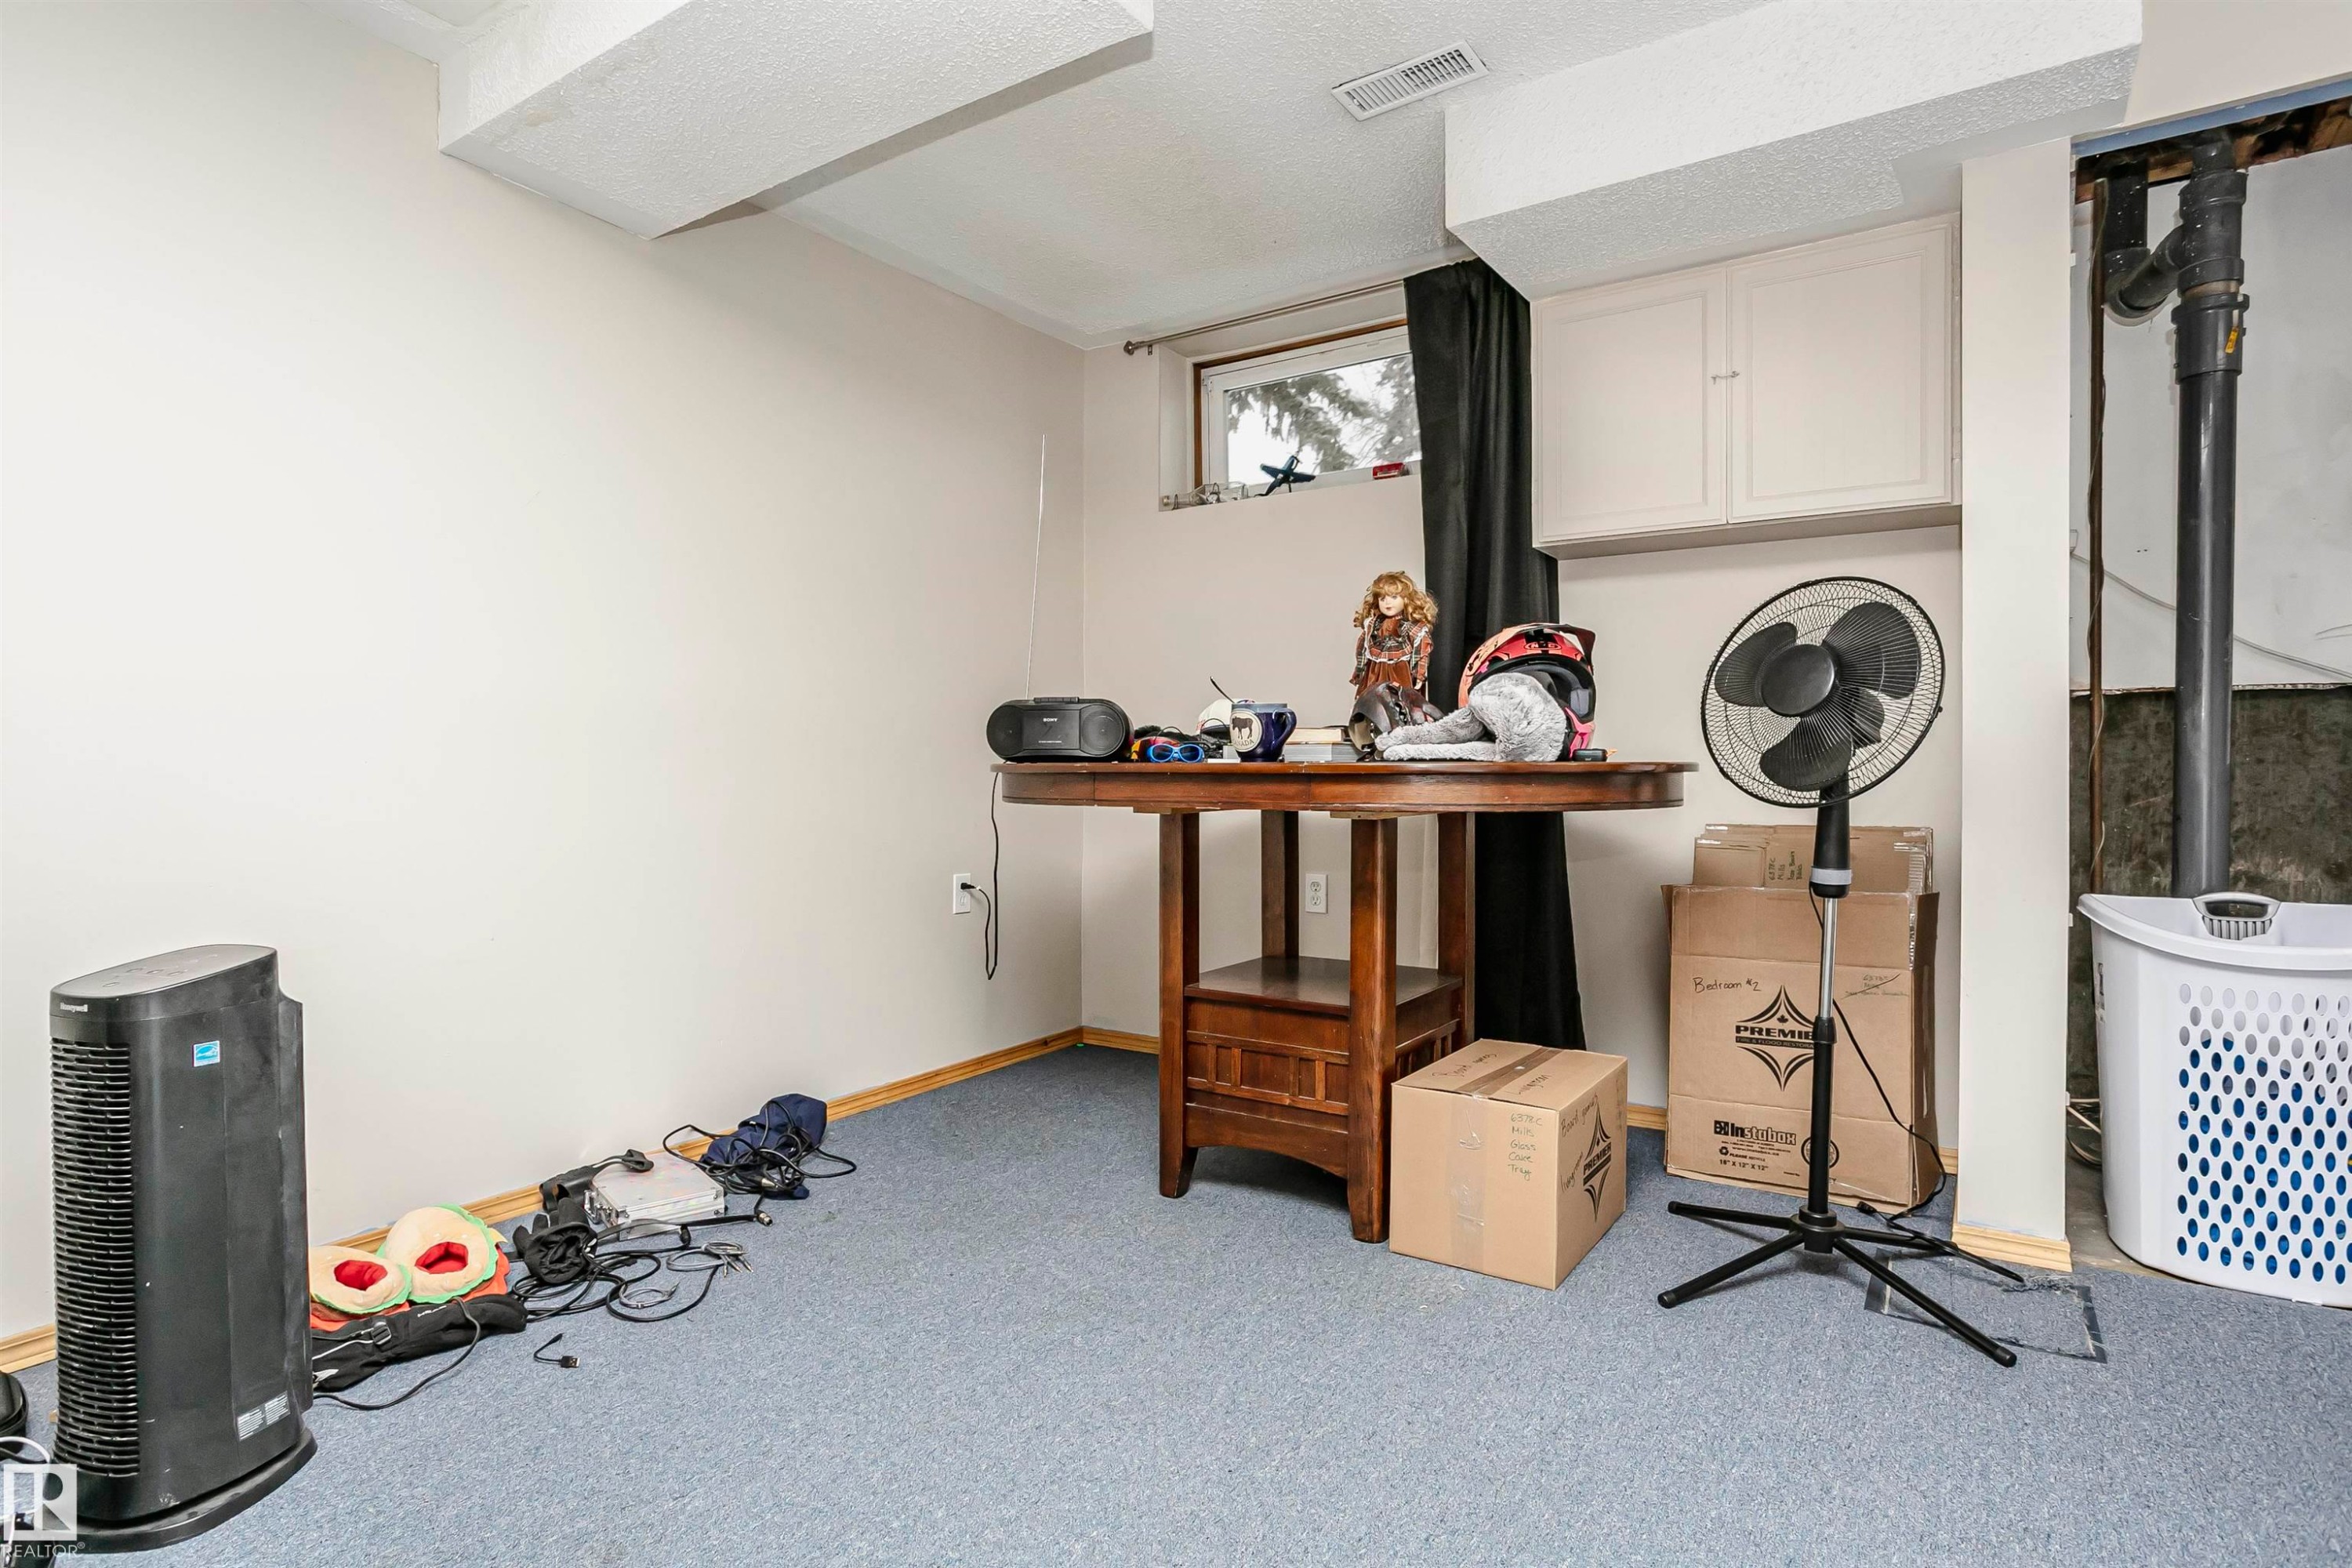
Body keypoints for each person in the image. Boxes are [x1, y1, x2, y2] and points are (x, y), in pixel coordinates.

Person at [1350, 571, 1436, 704]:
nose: (1387, 603)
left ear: (1406, 599)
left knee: (1399, 702)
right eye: (1382, 598)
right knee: (1373, 702)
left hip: (1400, 672)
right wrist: (1359, 672)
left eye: (1394, 597)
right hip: (1375, 672)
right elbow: (1362, 649)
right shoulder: (1372, 624)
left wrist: (1419, 675)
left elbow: (1421, 651)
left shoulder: (1411, 627)